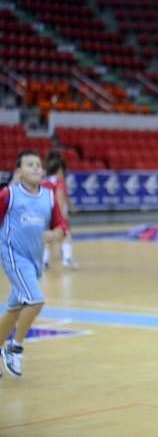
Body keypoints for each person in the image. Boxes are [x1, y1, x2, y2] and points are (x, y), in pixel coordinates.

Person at [0, 150, 69, 378]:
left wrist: (55, 234)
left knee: (14, 309)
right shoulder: (8, 195)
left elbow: (62, 225)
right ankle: (15, 347)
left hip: (34, 260)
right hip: (13, 256)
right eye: (30, 165)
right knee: (36, 300)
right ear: (18, 172)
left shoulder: (48, 196)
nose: (37, 168)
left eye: (39, 165)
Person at [41, 152, 78, 269]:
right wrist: (62, 216)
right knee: (66, 234)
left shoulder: (44, 181)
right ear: (58, 170)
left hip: (44, 212)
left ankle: (44, 261)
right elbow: (60, 198)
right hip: (55, 212)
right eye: (62, 171)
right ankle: (67, 259)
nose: (63, 173)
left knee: (49, 237)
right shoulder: (59, 181)